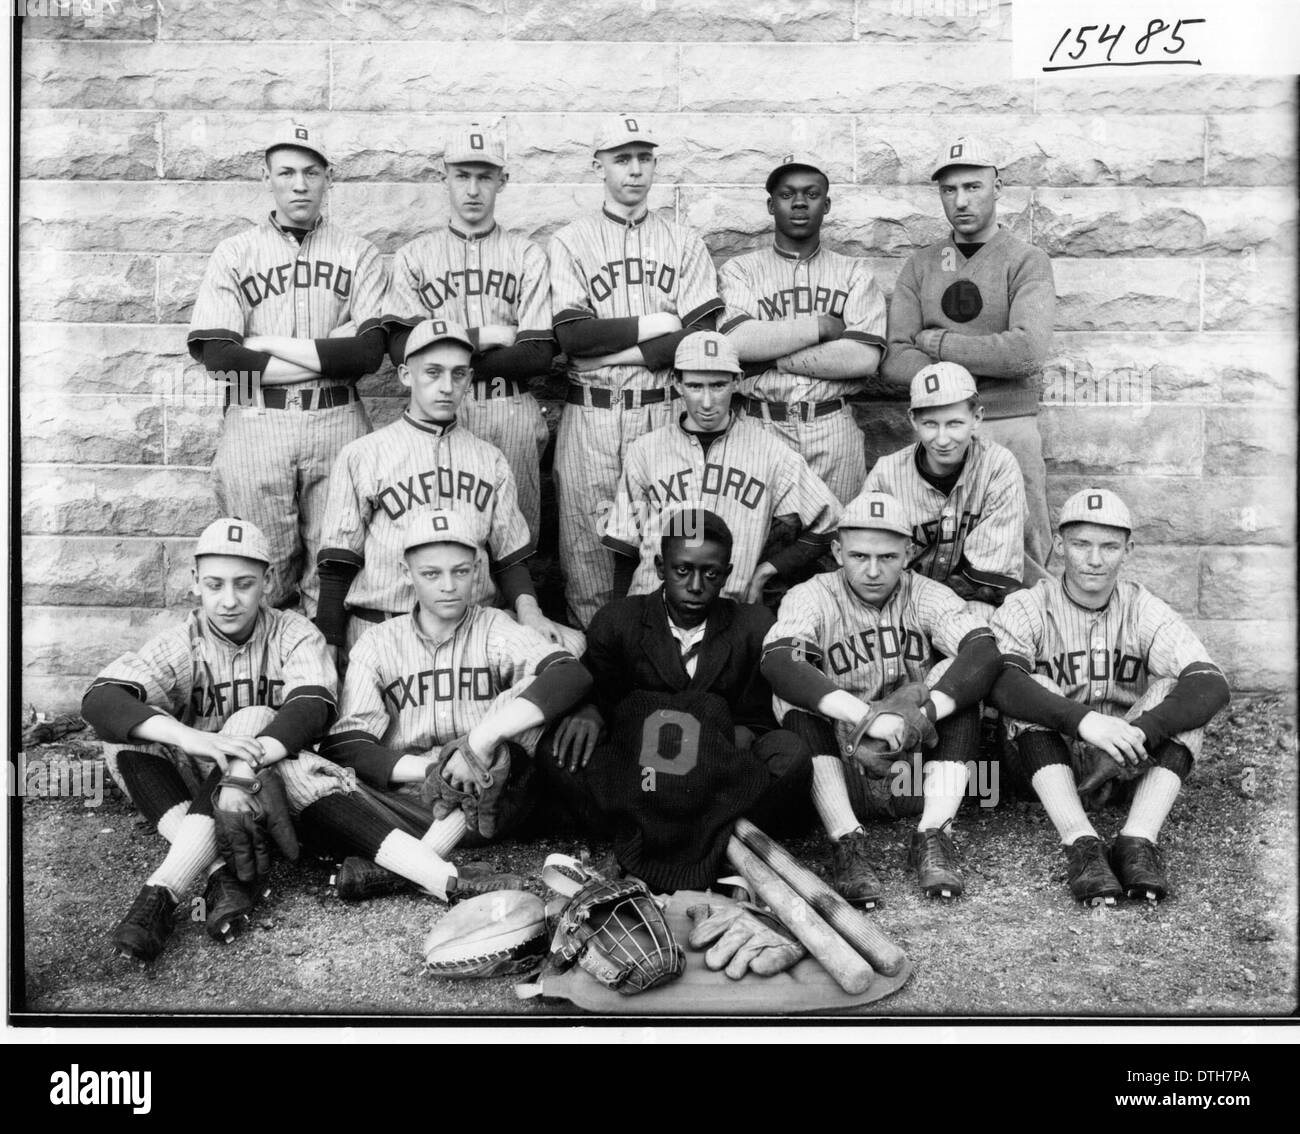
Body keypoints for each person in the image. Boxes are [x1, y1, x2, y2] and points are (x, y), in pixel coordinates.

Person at [82, 519, 349, 961]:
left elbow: (312, 706)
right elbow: (101, 701)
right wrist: (192, 738)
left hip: (270, 788)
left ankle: (162, 891)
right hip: (197, 790)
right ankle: (218, 867)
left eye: (244, 584)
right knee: (125, 737)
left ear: (267, 582)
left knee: (252, 720)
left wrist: (239, 761)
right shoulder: (182, 642)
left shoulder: (294, 632)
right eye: (215, 584)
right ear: (194, 584)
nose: (228, 600)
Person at [312, 510, 593, 901]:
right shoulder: (378, 643)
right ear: (406, 571)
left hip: (491, 803)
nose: (448, 586)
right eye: (431, 574)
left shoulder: (494, 627)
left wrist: (478, 744)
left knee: (525, 699)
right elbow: (346, 744)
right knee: (303, 769)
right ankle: (433, 870)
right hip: (410, 801)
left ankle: (402, 866)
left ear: (478, 568)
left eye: (460, 572)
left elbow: (570, 674)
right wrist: (437, 770)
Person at [540, 509, 813, 891]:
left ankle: (675, 835)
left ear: (728, 572)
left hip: (717, 775)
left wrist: (729, 740)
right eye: (682, 570)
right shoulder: (619, 620)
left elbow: (757, 718)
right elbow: (599, 694)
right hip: (637, 775)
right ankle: (682, 835)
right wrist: (587, 710)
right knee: (557, 747)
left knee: (792, 755)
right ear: (659, 566)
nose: (696, 585)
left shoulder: (753, 625)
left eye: (711, 573)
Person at [988, 489, 1231, 905]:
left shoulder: (1142, 606)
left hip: (1128, 765)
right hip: (1047, 765)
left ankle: (1137, 840)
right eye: (1081, 544)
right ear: (1059, 546)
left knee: (1175, 691)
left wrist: (1138, 734)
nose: (1094, 559)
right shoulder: (1028, 606)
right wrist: (1086, 723)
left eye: (1109, 546)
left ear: (1128, 549)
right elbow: (1002, 683)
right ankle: (1080, 844)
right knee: (1033, 686)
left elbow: (1211, 682)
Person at [760, 492, 1001, 905]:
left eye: (887, 557)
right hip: (841, 774)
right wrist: (868, 717)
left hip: (914, 772)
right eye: (859, 556)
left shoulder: (926, 594)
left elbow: (984, 651)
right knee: (795, 697)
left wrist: (920, 715)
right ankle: (845, 842)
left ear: (908, 553)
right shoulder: (812, 595)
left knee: (958, 683)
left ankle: (933, 835)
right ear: (836, 551)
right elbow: (780, 661)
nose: (873, 570)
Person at [187, 123, 387, 615]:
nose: (300, 184)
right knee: (259, 570)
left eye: (312, 172)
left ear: (328, 178)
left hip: (337, 423)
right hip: (256, 425)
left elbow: (366, 355)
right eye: (288, 172)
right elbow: (222, 359)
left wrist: (267, 345)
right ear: (267, 176)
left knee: (338, 568)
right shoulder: (235, 253)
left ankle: (321, 685)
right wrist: (323, 353)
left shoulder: (358, 253)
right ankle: (266, 687)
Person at [549, 113, 725, 627]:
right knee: (587, 558)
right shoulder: (571, 241)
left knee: (666, 546)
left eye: (644, 158)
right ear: (598, 165)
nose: (634, 170)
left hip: (662, 410)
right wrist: (655, 323)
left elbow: (701, 338)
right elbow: (574, 338)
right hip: (591, 418)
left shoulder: (684, 242)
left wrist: (614, 351)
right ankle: (599, 686)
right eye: (622, 159)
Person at [315, 318, 575, 654]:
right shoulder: (362, 455)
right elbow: (338, 563)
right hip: (383, 630)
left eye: (457, 374)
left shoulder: (490, 459)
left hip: (470, 635)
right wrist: (330, 644)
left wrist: (531, 613)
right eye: (432, 372)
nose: (446, 386)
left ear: (469, 378)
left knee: (572, 653)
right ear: (406, 375)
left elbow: (510, 558)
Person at [882, 134, 1055, 583]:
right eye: (949, 189)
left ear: (997, 187)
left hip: (1008, 423)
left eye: (973, 186)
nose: (960, 200)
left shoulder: (1026, 261)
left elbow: (1025, 352)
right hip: (940, 431)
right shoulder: (920, 265)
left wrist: (938, 345)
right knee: (936, 554)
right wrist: (959, 384)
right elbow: (896, 358)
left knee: (1026, 552)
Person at [381, 124, 554, 539]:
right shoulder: (415, 256)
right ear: (445, 179)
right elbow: (402, 349)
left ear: (502, 181)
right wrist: (487, 335)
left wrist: (441, 349)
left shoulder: (526, 254)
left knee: (517, 537)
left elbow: (537, 354)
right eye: (462, 176)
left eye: (484, 176)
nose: (473, 189)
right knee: (440, 533)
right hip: (442, 413)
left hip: (509, 408)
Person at [603, 330, 840, 605]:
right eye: (695, 386)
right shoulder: (644, 451)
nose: (706, 402)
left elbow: (829, 521)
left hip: (730, 608)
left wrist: (766, 571)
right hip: (652, 606)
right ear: (676, 383)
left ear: (737, 381)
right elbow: (625, 547)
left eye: (717, 385)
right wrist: (621, 616)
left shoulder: (771, 452)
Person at [718, 153, 888, 504]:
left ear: (826, 205)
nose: (799, 203)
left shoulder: (854, 272)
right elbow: (736, 343)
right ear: (770, 204)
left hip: (832, 428)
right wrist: (822, 326)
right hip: (759, 426)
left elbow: (862, 359)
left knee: (838, 545)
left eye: (811, 194)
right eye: (786, 194)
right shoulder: (740, 271)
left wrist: (773, 355)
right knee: (759, 542)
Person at [862, 360, 1026, 614]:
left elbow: (991, 574)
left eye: (954, 423)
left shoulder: (998, 466)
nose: (942, 438)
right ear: (913, 420)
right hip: (900, 601)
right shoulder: (887, 473)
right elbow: (871, 562)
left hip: (974, 598)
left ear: (977, 418)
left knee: (982, 626)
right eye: (930, 424)